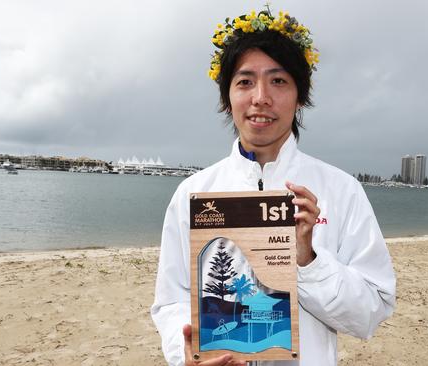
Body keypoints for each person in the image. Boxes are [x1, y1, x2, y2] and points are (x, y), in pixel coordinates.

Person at [151, 8, 396, 366]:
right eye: (245, 81)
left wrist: (308, 261)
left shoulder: (341, 190)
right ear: (227, 97)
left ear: (300, 97)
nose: (261, 97)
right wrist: (183, 351)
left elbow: (370, 314)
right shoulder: (193, 193)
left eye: (278, 81)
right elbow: (171, 300)